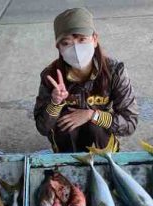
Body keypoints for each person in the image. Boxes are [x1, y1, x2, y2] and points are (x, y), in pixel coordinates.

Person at [34, 8, 138, 153]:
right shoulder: (50, 75)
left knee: (94, 126)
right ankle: (67, 166)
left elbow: (129, 123)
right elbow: (43, 128)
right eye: (66, 43)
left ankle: (104, 165)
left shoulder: (115, 72)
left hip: (100, 139)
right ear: (58, 47)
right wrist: (55, 103)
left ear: (94, 39)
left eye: (82, 39)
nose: (76, 48)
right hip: (68, 140)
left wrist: (92, 115)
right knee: (67, 126)